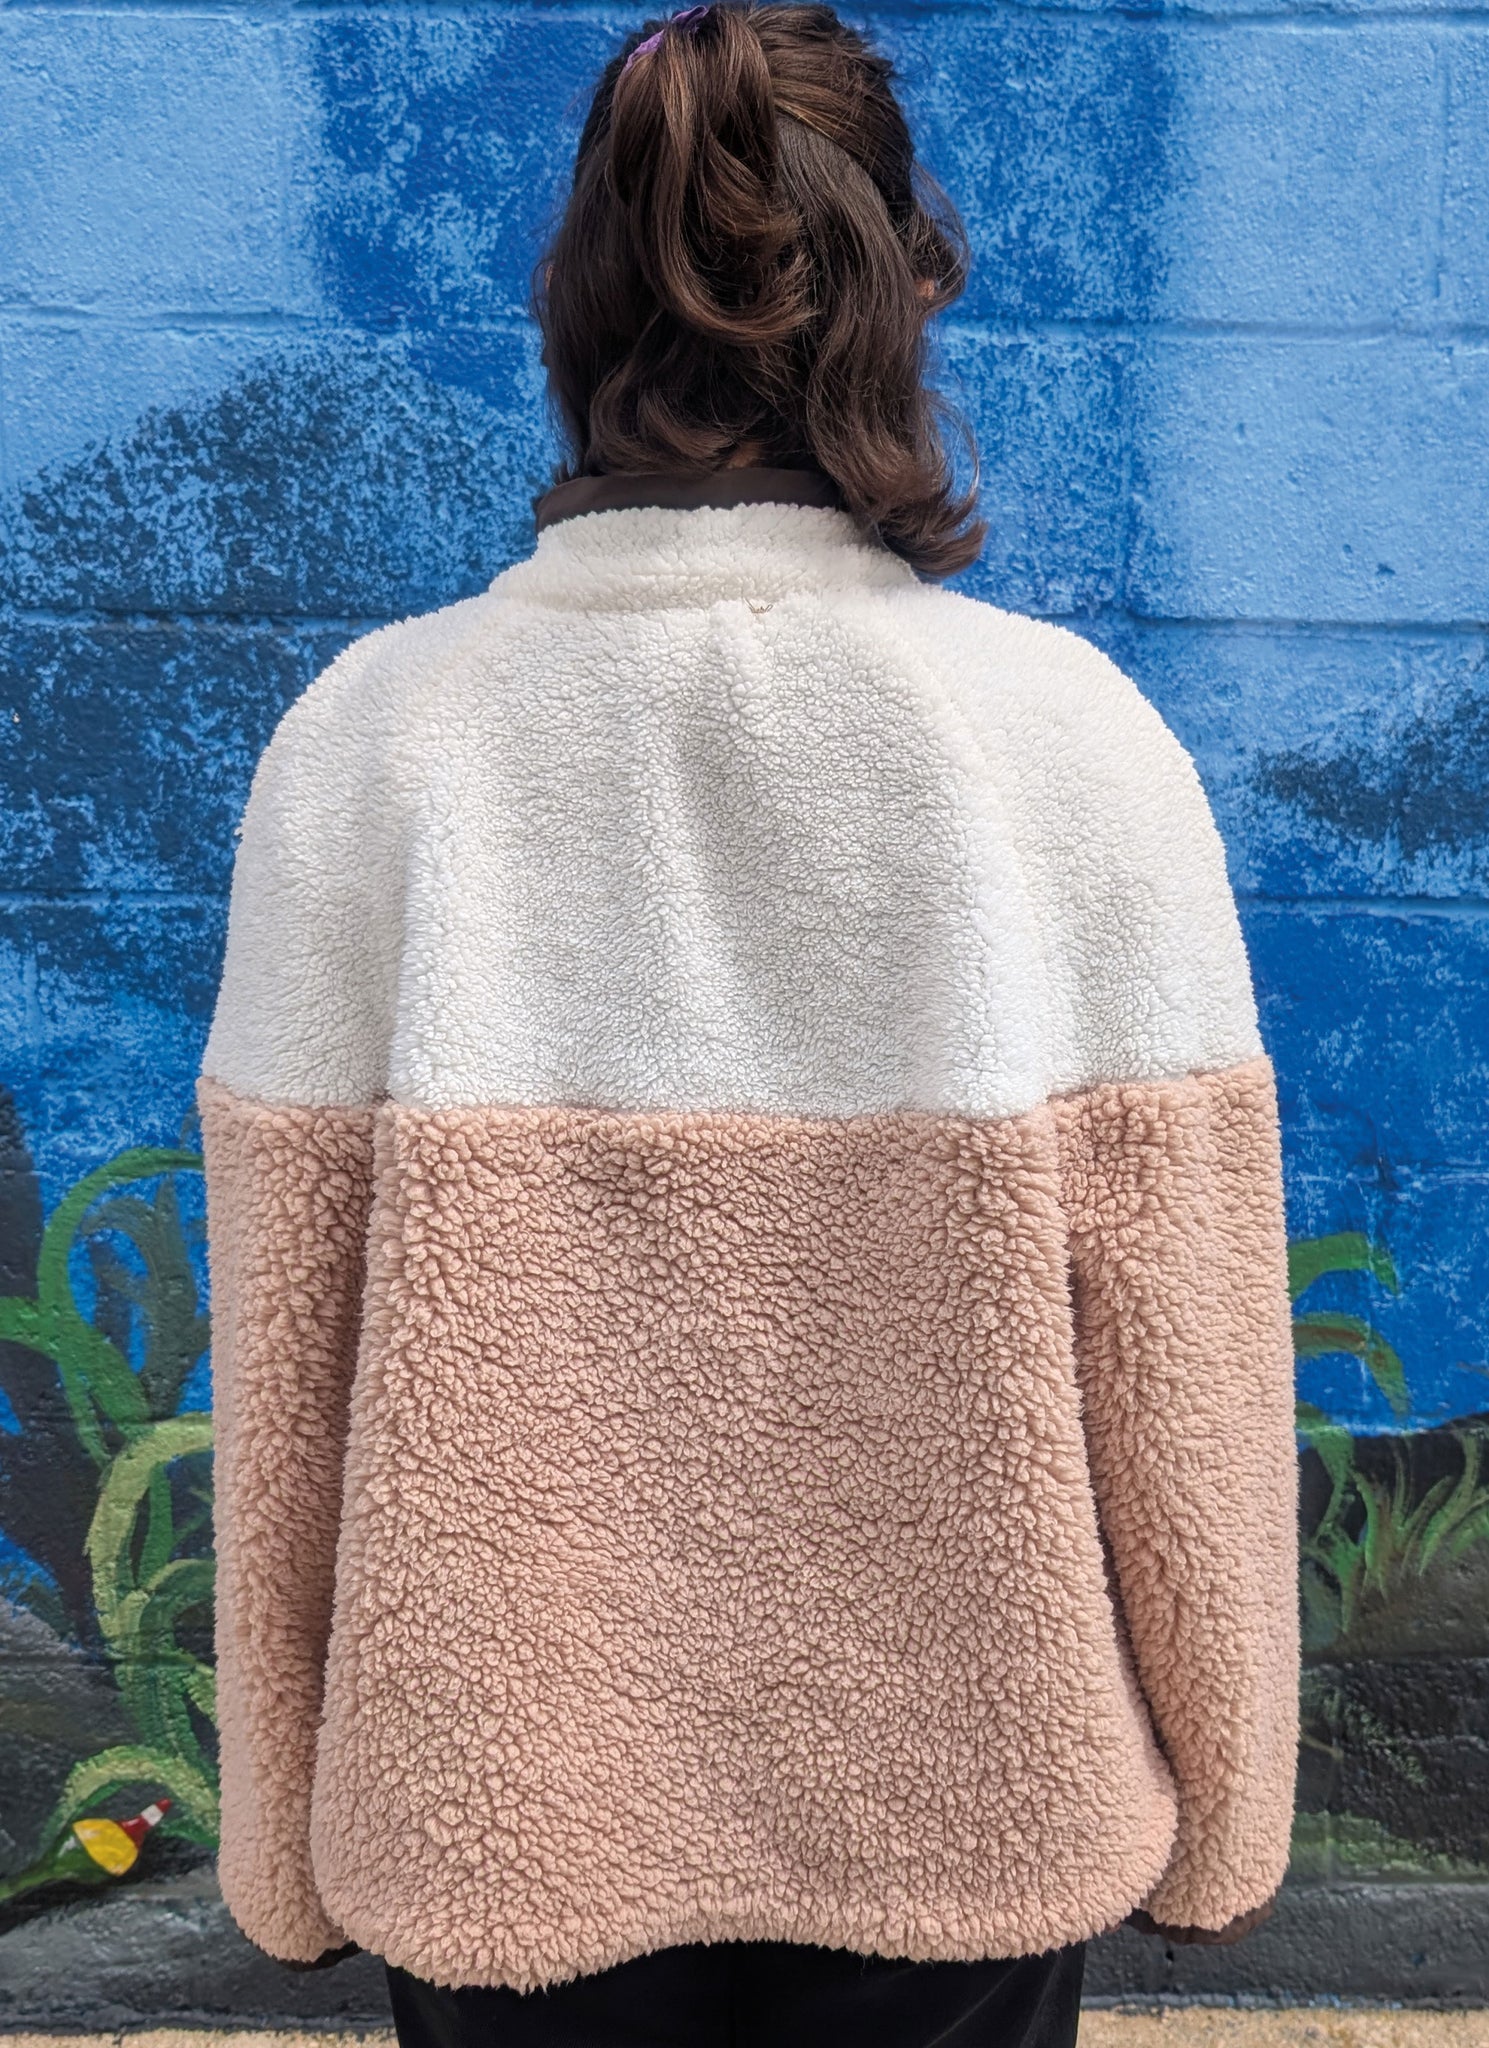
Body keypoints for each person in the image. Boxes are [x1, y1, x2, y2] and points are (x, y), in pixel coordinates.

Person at [195, 5, 1300, 2043]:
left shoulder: (367, 748)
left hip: (495, 1810)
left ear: (576, 295)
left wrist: (277, 1837)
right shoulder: (1068, 744)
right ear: (897, 291)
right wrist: (1226, 1804)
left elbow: (285, 1368)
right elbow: (1186, 1352)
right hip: (969, 1789)